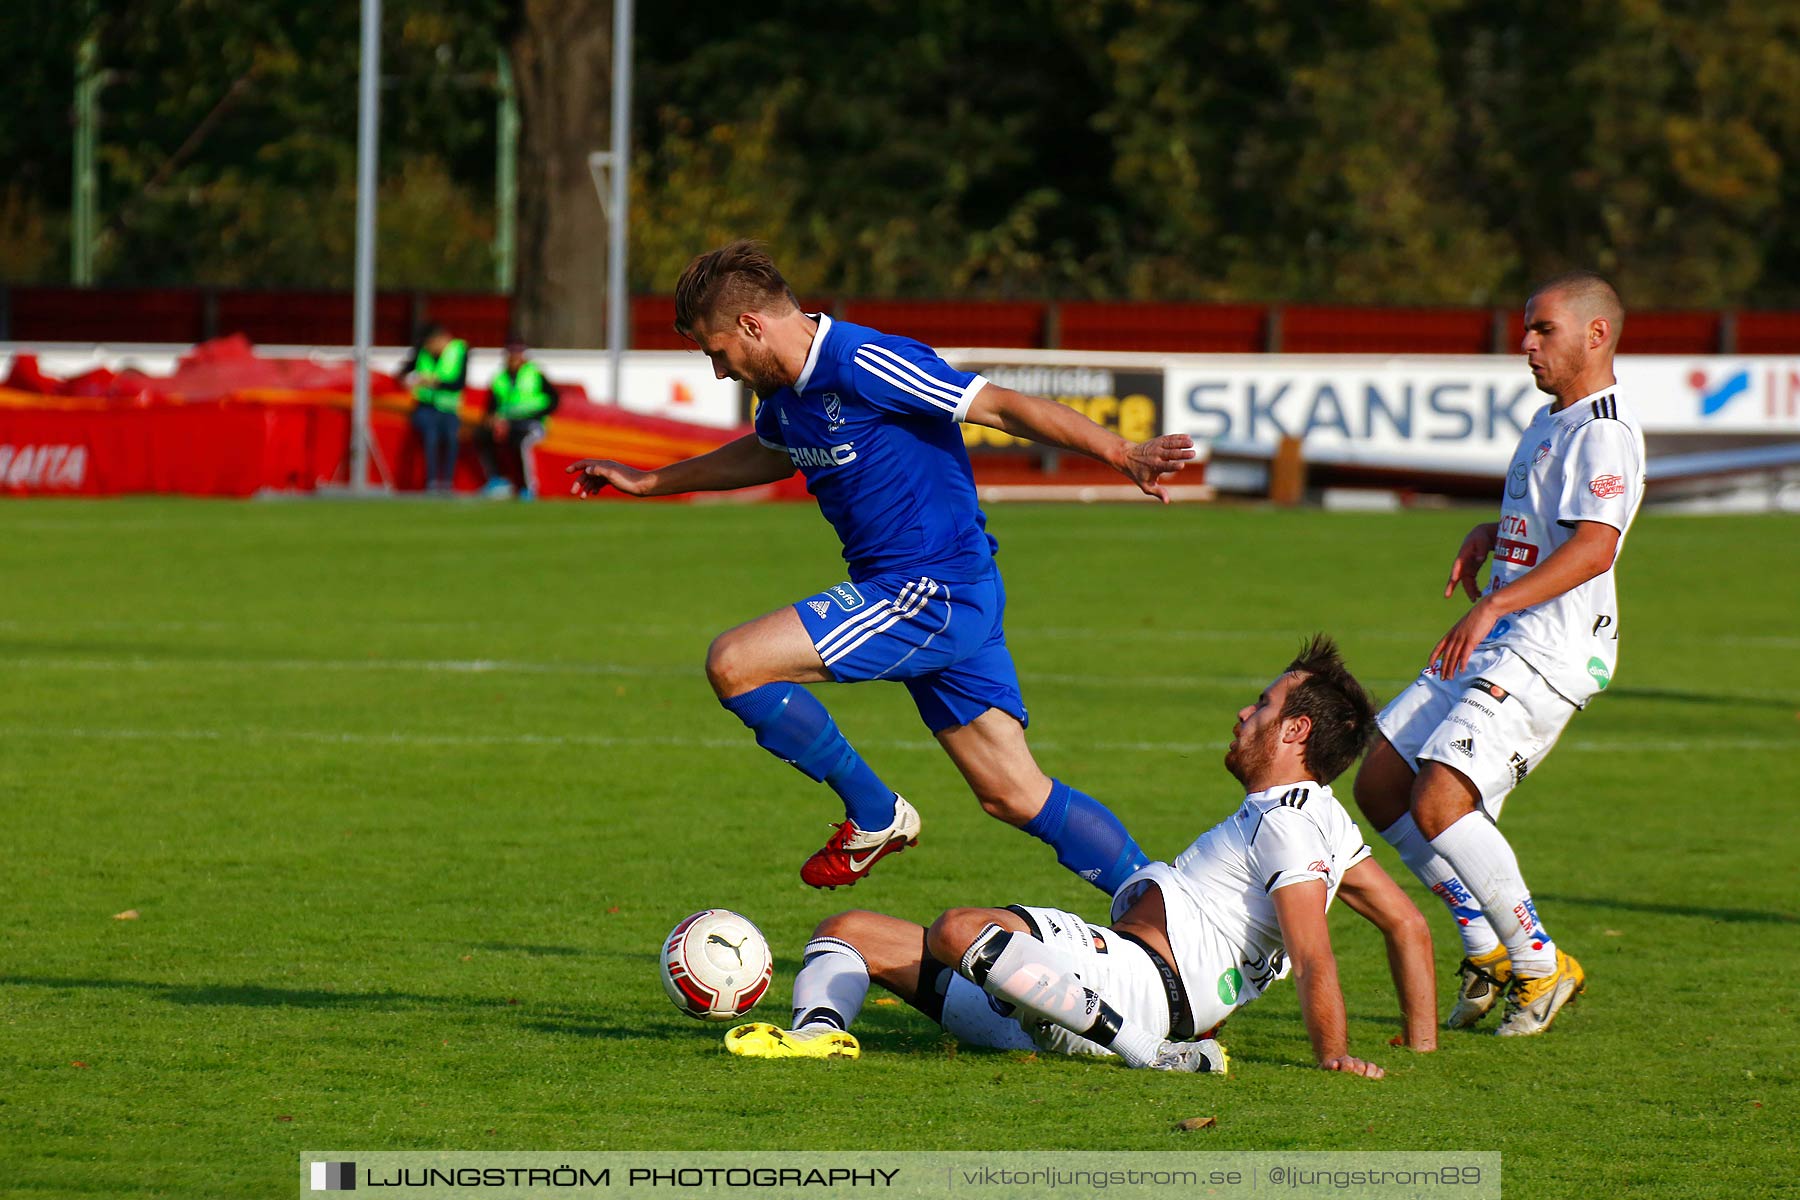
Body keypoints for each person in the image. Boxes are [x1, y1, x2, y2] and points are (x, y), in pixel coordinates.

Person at [567, 242, 1198, 893]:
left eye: (717, 352)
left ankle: (876, 813)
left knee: (735, 662)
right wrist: (649, 483)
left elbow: (1000, 407)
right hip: (943, 595)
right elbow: (766, 454)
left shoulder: (866, 361)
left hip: (932, 590)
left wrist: (1121, 452)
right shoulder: (784, 397)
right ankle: (1171, 908)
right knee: (1014, 794)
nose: (721, 372)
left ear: (753, 325)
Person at [724, 636, 1438, 1075]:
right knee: (847, 933)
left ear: (1296, 732)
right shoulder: (1324, 823)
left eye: (1262, 705)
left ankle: (1150, 1057)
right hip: (1061, 998)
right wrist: (1422, 1042)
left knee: (959, 930)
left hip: (1135, 989)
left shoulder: (1289, 825)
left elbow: (1314, 952)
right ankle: (818, 1037)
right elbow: (1406, 924)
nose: (1243, 715)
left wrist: (1333, 1053)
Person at [1352, 270, 1646, 1037]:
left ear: (1596, 334)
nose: (1526, 343)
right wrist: (1493, 537)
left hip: (1549, 649)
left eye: (1543, 329)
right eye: (1527, 328)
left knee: (1442, 802)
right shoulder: (1552, 418)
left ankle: (1540, 964)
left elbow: (1593, 549)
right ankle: (1485, 948)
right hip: (1507, 632)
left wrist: (1495, 602)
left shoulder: (1603, 430)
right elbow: (1550, 525)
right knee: (1383, 779)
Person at [477, 338, 559, 500]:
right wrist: (493, 421)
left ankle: (527, 488)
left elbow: (554, 399)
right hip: (508, 424)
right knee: (483, 435)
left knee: (521, 443)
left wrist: (536, 414)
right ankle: (497, 480)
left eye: (517, 353)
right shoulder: (499, 378)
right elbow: (490, 408)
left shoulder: (535, 374)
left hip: (532, 423)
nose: (514, 358)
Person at [399, 323, 468, 493]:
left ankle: (447, 482)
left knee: (451, 438)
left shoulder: (459, 351)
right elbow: (403, 373)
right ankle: (431, 482)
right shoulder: (421, 352)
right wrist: (409, 380)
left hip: (449, 409)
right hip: (425, 407)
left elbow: (458, 383)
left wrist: (432, 382)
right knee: (431, 435)